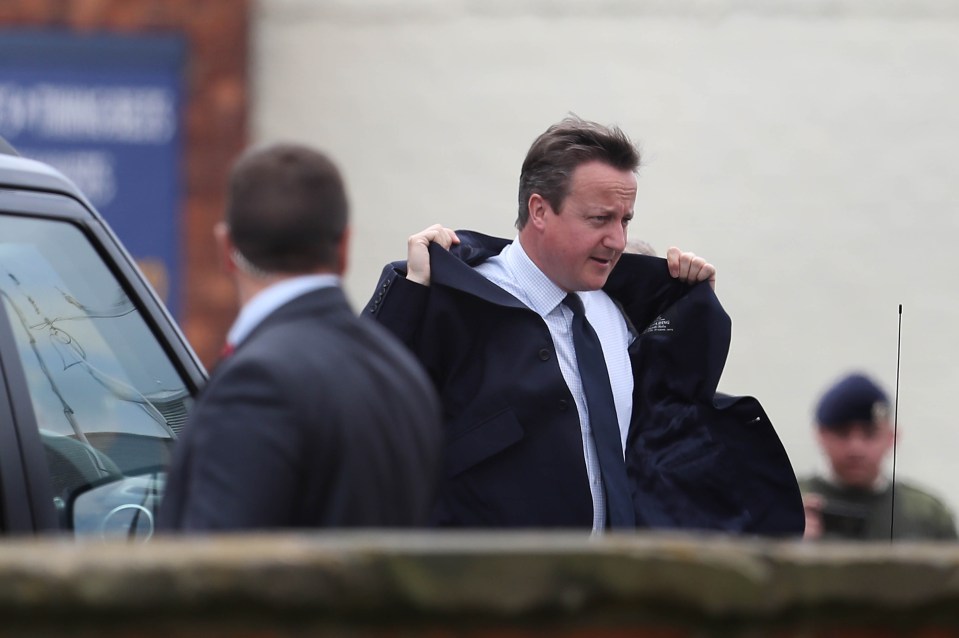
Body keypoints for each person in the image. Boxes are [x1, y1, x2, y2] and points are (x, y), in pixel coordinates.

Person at [365, 115, 804, 534]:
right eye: (599, 219)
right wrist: (411, 289)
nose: (617, 239)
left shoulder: (622, 310)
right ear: (539, 210)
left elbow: (671, 434)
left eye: (624, 220)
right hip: (487, 601)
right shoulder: (456, 302)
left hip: (606, 599)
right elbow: (366, 409)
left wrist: (690, 306)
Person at [158, 143, 443, 531]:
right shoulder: (401, 372)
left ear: (226, 249)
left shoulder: (256, 383)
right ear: (344, 247)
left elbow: (214, 577)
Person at [800, 372, 957, 540]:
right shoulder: (787, 503)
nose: (856, 449)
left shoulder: (929, 515)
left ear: (892, 438)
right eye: (842, 433)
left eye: (870, 434)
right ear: (820, 436)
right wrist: (788, 540)